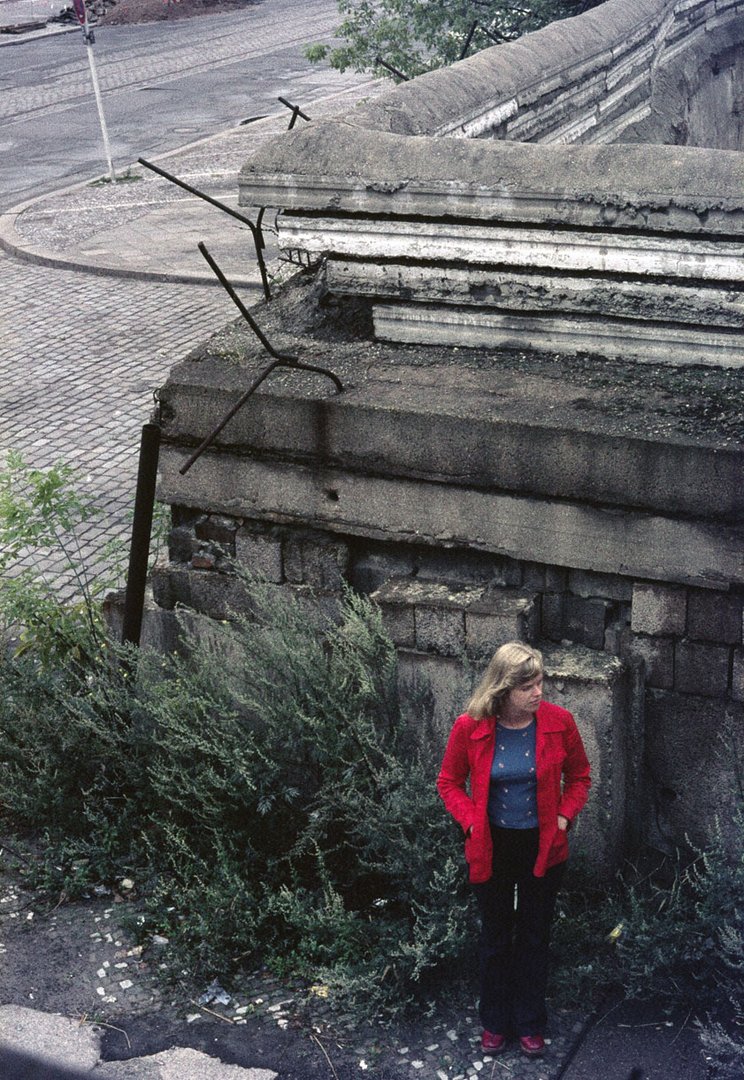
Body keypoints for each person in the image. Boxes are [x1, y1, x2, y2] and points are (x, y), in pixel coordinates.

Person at [436, 642, 591, 1058]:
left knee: (535, 936)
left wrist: (563, 817)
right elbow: (448, 782)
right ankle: (494, 1022)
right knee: (495, 936)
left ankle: (529, 1022)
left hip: (543, 844)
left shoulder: (560, 723)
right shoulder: (470, 727)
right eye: (527, 687)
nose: (538, 692)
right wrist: (470, 820)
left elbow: (580, 777)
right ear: (503, 689)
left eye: (540, 683)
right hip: (491, 844)